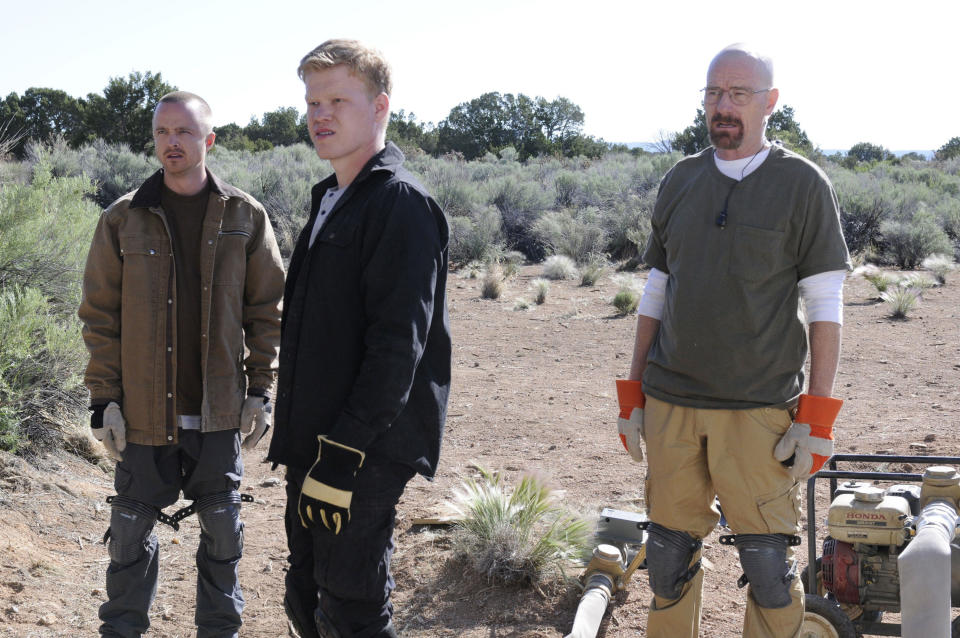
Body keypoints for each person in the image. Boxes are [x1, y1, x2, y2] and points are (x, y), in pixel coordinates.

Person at [615, 44, 850, 638]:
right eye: (714, 93)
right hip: (671, 403)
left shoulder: (802, 185)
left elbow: (825, 304)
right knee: (666, 558)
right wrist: (632, 395)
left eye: (739, 94)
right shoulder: (682, 179)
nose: (723, 106)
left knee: (769, 565)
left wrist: (816, 418)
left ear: (770, 102)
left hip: (759, 410)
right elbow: (656, 292)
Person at [78, 91, 285, 638]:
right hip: (143, 415)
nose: (172, 143)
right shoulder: (123, 219)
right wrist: (105, 401)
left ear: (208, 140)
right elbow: (100, 318)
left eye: (185, 132)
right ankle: (121, 631)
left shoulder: (245, 216)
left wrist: (260, 390)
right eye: (162, 132)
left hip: (219, 412)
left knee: (223, 538)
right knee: (128, 538)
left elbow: (268, 312)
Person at [267, 39, 450, 638]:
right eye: (313, 101)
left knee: (351, 606)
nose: (320, 114)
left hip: (361, 449)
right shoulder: (330, 197)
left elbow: (400, 349)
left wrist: (343, 457)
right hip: (314, 439)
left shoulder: (400, 204)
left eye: (338, 99)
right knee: (304, 593)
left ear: (380, 107)